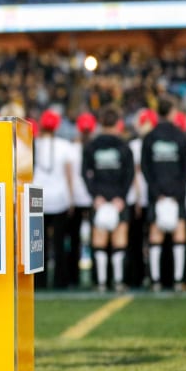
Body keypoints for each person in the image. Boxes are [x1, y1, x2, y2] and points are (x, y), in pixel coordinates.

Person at [141, 96, 186, 292]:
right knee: (179, 234)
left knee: (156, 235)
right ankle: (179, 279)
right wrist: (176, 193)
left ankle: (156, 280)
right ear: (173, 112)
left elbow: (146, 169)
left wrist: (157, 193)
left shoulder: (149, 136)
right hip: (176, 194)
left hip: (157, 195)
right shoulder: (181, 136)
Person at [81, 105, 135, 292]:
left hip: (100, 199)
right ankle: (118, 281)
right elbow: (130, 175)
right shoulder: (124, 146)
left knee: (99, 241)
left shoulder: (91, 146)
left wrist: (95, 196)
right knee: (119, 241)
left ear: (101, 123)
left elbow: (84, 173)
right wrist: (122, 198)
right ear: (118, 123)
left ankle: (101, 282)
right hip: (118, 199)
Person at [34, 109, 75, 289]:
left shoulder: (34, 143)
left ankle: (39, 281)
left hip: (36, 197)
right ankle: (60, 280)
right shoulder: (65, 146)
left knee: (38, 243)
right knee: (59, 242)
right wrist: (71, 197)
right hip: (59, 197)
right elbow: (69, 174)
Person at [67, 111, 97, 287]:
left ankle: (72, 277)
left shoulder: (71, 148)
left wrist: (70, 198)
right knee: (96, 238)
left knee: (74, 239)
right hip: (92, 196)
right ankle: (96, 277)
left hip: (76, 197)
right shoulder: (95, 146)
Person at [127, 108, 156, 287]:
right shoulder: (135, 146)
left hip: (146, 196)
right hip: (145, 196)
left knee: (147, 239)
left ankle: (146, 275)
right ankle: (147, 275)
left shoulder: (136, 146)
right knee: (142, 239)